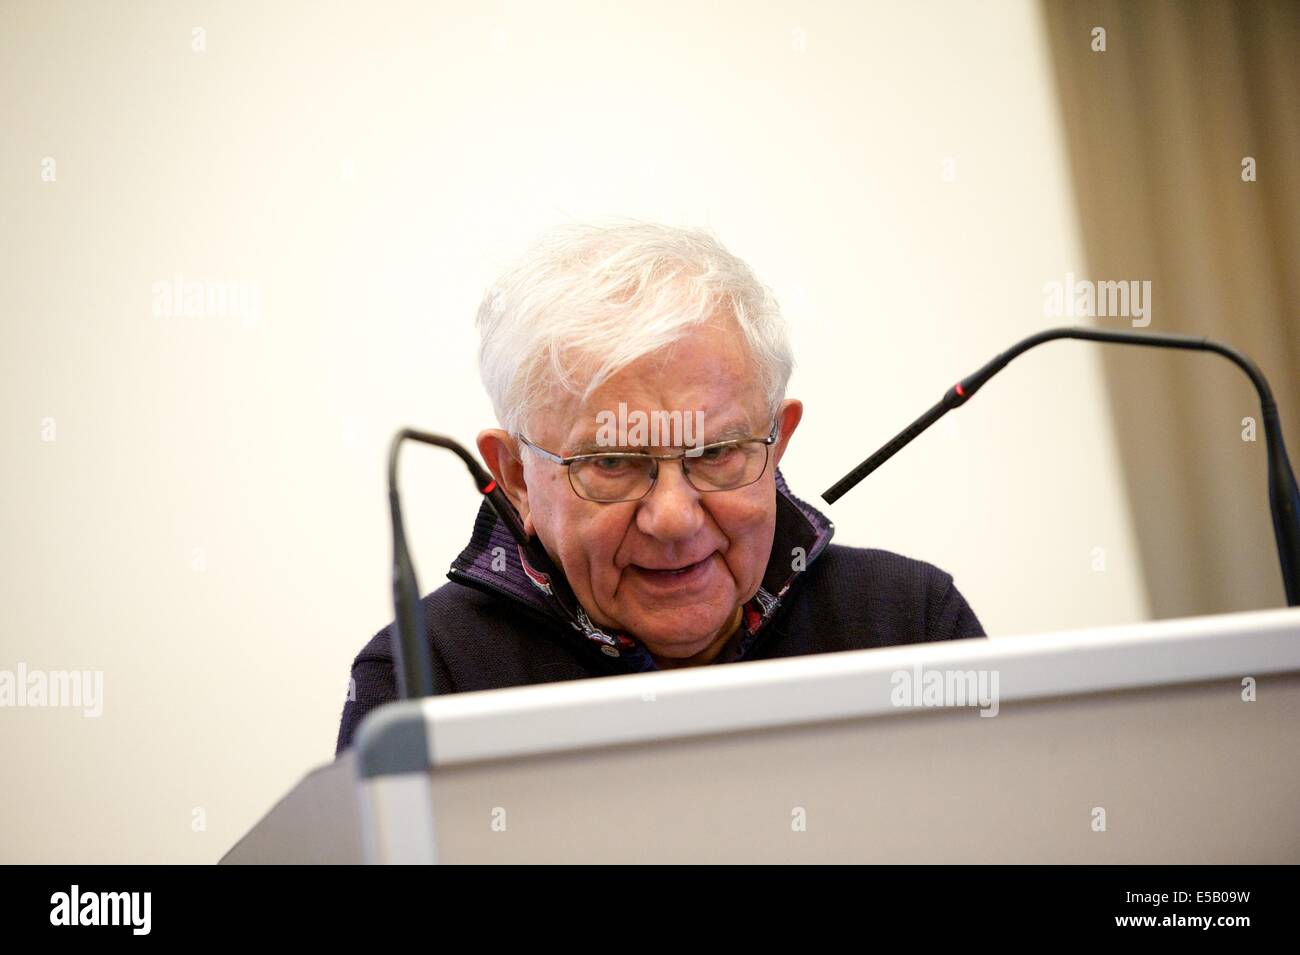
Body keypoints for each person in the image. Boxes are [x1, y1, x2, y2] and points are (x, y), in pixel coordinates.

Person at [335, 219, 983, 755]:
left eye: (717, 452)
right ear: (516, 479)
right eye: (613, 463)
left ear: (776, 440)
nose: (673, 518)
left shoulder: (909, 622)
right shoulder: (426, 675)